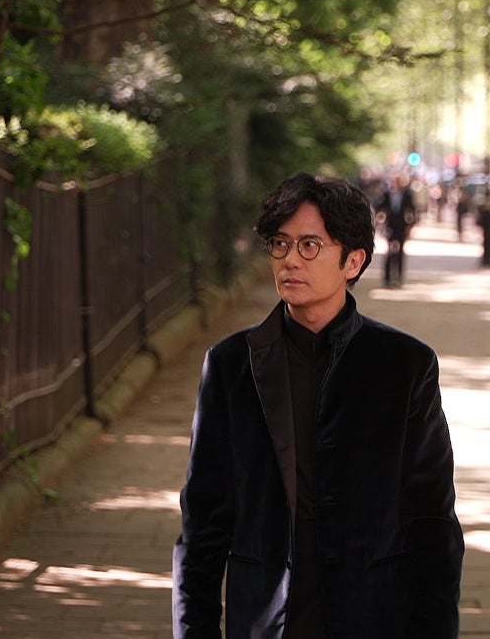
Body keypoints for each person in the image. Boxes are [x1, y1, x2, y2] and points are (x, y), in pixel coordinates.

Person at [172, 172, 464, 638]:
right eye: (280, 244)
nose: (290, 260)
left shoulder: (405, 365)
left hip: (371, 614)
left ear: (353, 261)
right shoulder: (230, 365)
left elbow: (432, 519)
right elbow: (202, 522)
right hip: (267, 615)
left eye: (310, 245)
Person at [373, 175, 417, 288]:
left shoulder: (407, 195)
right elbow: (378, 207)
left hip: (402, 226)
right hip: (390, 226)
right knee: (390, 252)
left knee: (400, 252)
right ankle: (387, 278)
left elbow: (412, 210)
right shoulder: (387, 194)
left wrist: (410, 225)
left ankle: (398, 278)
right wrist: (378, 220)